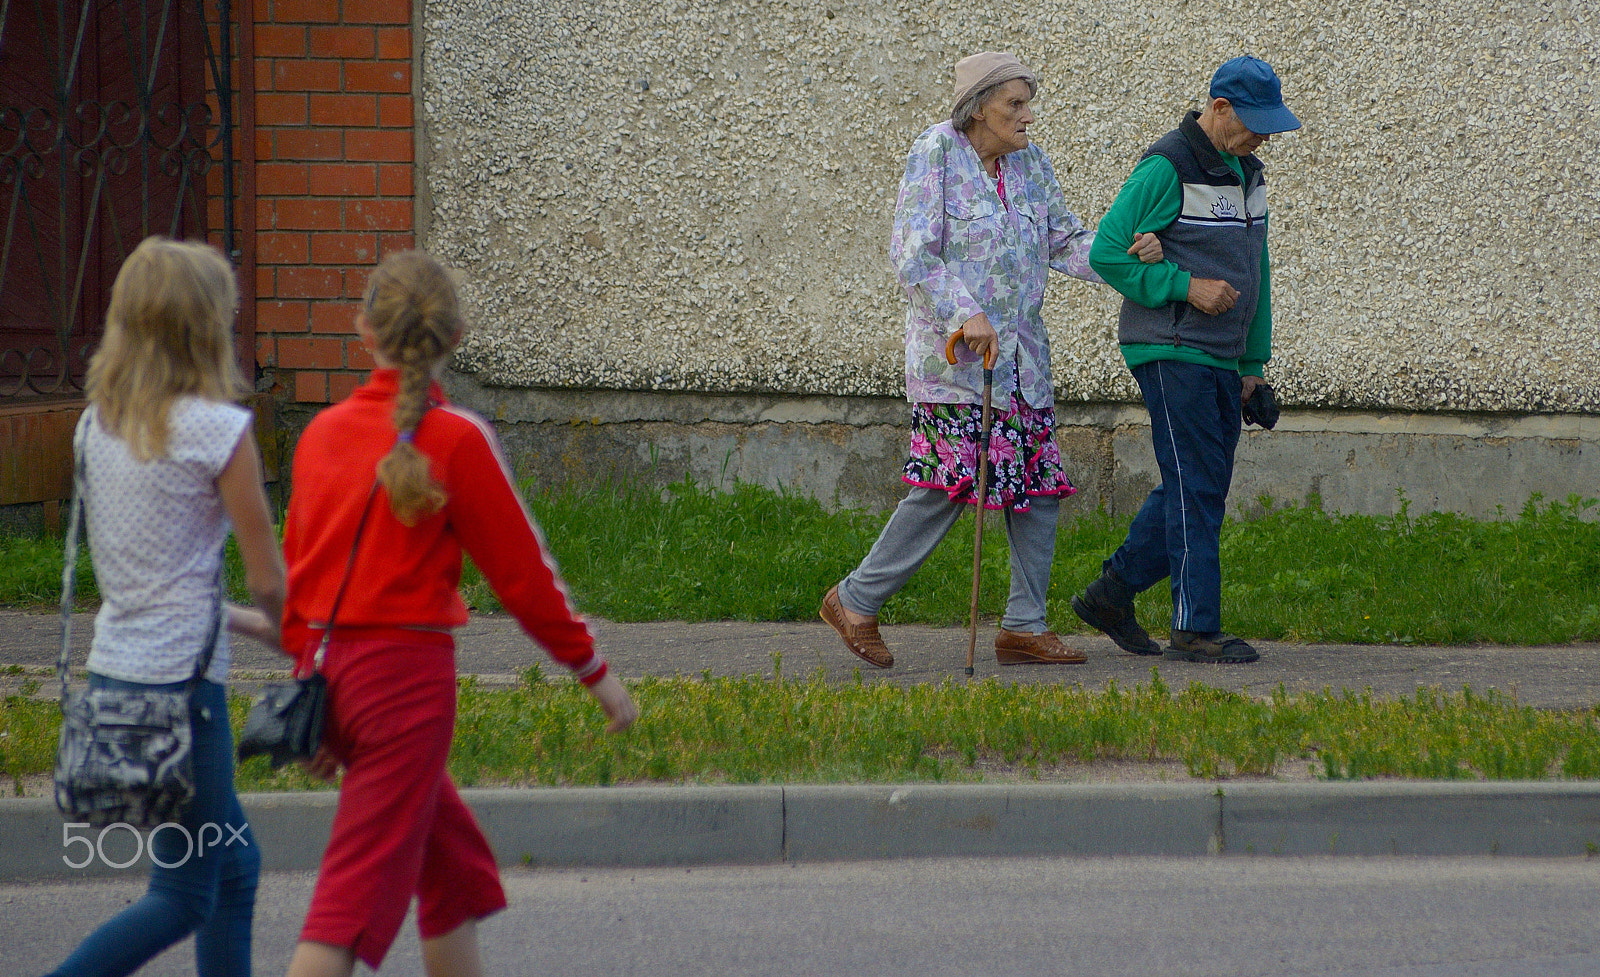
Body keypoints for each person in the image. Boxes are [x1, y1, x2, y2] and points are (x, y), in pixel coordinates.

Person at [279, 250, 638, 977]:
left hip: (334, 679)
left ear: (361, 331)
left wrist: (308, 691)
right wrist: (595, 672)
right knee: (349, 899)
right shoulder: (456, 439)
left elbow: (300, 584)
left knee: (451, 868)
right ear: (458, 334)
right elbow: (523, 578)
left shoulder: (320, 435)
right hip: (405, 687)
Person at [820, 52, 1165, 669]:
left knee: (1038, 488)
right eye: (1016, 104)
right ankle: (855, 599)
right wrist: (963, 313)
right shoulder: (936, 151)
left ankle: (1024, 627)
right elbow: (913, 255)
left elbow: (1064, 239)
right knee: (948, 487)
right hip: (956, 362)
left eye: (1029, 103)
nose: (1029, 116)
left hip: (1022, 361)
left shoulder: (1028, 161)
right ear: (978, 107)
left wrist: (1127, 256)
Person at [45, 237, 284, 977]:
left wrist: (249, 626)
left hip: (116, 674)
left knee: (235, 868)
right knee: (186, 890)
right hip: (185, 696)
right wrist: (286, 623)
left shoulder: (97, 424)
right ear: (206, 326)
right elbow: (267, 577)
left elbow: (164, 584)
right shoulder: (219, 432)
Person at [1071, 55, 1300, 664]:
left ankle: (1109, 595)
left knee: (1194, 484)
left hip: (1224, 357)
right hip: (1172, 349)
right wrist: (1184, 285)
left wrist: (1254, 360)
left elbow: (1259, 272)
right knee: (1197, 484)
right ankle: (1195, 629)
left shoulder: (1248, 173)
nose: (1264, 137)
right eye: (1255, 123)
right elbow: (1107, 252)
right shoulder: (1167, 165)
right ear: (1219, 108)